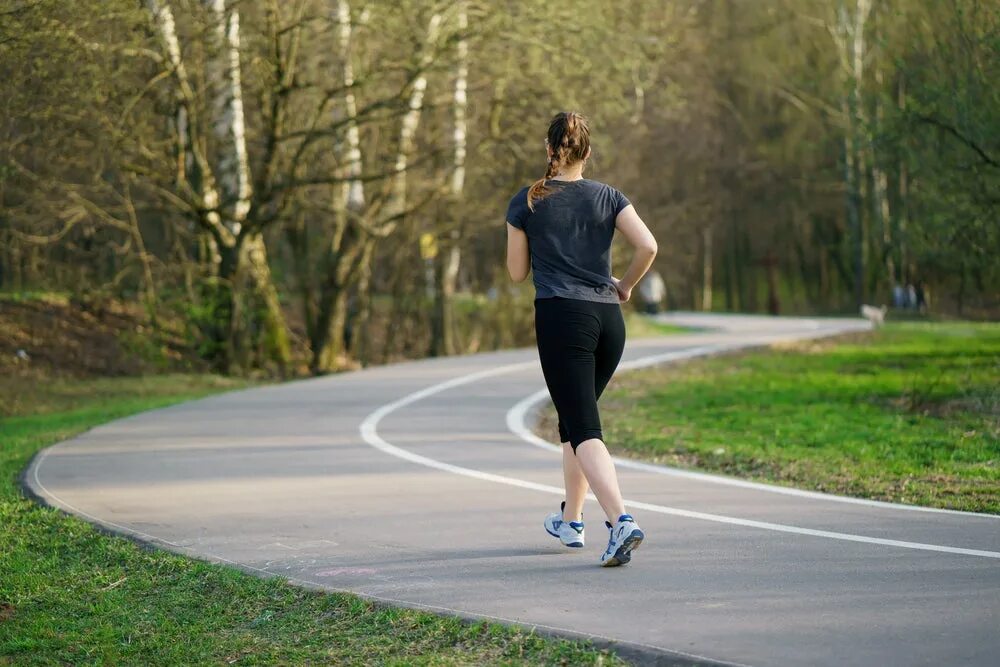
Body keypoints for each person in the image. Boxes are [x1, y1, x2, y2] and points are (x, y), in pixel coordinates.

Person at [504, 111, 658, 567]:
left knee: (585, 427)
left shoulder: (526, 201)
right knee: (573, 421)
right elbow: (648, 246)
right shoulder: (610, 196)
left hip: (562, 318)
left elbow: (516, 274)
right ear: (586, 153)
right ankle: (571, 521)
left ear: (549, 151)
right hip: (609, 321)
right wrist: (625, 285)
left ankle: (621, 521)